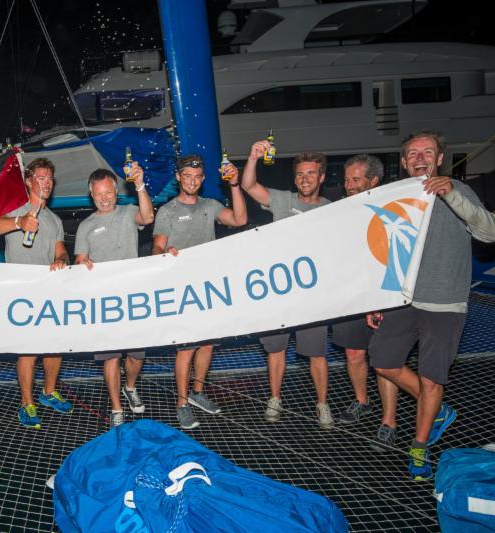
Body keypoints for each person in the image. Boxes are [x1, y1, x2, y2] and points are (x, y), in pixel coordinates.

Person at [367, 131, 495, 480]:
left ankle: (419, 446)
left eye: (428, 151)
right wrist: (375, 298)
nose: (420, 157)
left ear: (440, 158)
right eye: (412, 153)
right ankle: (439, 411)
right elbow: (379, 250)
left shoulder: (458, 191)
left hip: (445, 303)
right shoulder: (394, 195)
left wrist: (452, 195)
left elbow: (492, 233)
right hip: (403, 300)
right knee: (382, 359)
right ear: (403, 161)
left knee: (431, 379)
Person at [240, 143, 333, 428]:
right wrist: (253, 156)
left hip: (312, 296)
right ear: (295, 179)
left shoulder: (333, 209)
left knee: (317, 353)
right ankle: (275, 399)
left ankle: (322, 405)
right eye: (301, 174)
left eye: (311, 173)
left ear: (321, 177)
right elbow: (248, 184)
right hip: (278, 292)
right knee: (276, 351)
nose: (305, 179)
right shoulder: (282, 200)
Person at [152, 154, 247, 430]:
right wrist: (164, 253)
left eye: (197, 176)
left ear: (203, 179)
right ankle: (182, 404)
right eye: (187, 176)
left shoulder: (210, 205)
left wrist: (235, 185)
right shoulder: (167, 211)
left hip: (209, 287)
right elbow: (157, 247)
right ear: (179, 178)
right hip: (182, 288)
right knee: (186, 349)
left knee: (207, 343)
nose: (192, 181)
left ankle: (197, 393)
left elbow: (240, 219)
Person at [0, 158, 73, 429]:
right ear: (28, 181)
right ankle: (27, 403)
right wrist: (18, 222)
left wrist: (62, 259)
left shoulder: (53, 219)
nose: (46, 183)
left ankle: (48, 393)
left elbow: (60, 249)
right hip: (21, 294)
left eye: (49, 178)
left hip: (49, 291)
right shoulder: (15, 209)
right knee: (28, 351)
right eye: (40, 178)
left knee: (54, 346)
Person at [75, 165, 155, 427]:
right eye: (99, 194)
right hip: (104, 301)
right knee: (111, 356)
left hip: (133, 297)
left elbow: (148, 217)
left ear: (116, 191)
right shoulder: (86, 226)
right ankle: (116, 407)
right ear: (91, 194)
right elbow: (80, 259)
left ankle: (129, 387)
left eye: (109, 192)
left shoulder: (129, 212)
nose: (105, 198)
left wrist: (140, 185)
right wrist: (82, 263)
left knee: (136, 355)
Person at [331, 155, 399, 449]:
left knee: (385, 362)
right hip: (350, 297)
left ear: (374, 181)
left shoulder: (390, 208)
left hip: (383, 297)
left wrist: (380, 299)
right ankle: (362, 401)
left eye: (356, 180)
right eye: (346, 180)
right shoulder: (339, 211)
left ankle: (389, 421)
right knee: (354, 355)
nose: (349, 186)